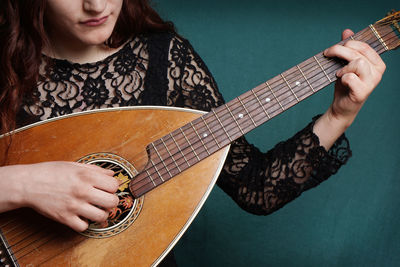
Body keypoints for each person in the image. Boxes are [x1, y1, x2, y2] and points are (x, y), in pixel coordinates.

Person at [0, 0, 386, 266]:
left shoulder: (165, 58)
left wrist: (340, 113)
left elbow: (256, 189)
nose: (97, 5)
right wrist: (23, 184)